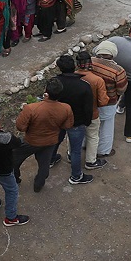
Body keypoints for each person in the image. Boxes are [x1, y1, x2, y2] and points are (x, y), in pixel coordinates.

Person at [14, 78, 74, 192]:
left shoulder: (31, 108)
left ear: (46, 92)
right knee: (44, 166)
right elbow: (67, 125)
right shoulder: (66, 108)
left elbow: (20, 127)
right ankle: (38, 185)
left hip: (31, 141)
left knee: (14, 160)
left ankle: (16, 179)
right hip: (50, 142)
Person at [50, 55, 96, 185]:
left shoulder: (54, 82)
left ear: (59, 68)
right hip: (77, 122)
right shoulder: (83, 85)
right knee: (75, 150)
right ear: (74, 66)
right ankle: (76, 176)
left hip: (58, 120)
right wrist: (87, 121)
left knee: (55, 141)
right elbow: (88, 107)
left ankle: (51, 159)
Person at [85, 41, 128, 166]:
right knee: (106, 127)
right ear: (113, 54)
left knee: (87, 124)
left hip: (89, 101)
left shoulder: (89, 61)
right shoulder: (118, 70)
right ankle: (103, 150)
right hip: (108, 103)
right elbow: (121, 89)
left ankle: (84, 145)